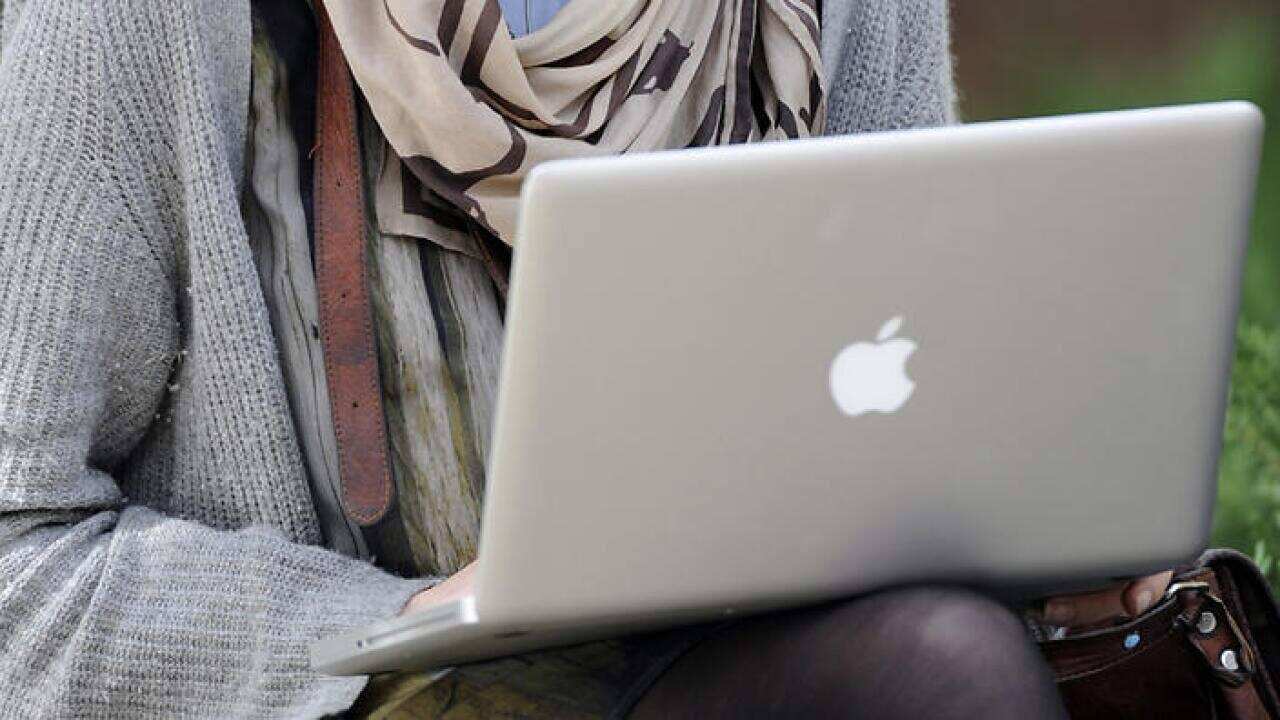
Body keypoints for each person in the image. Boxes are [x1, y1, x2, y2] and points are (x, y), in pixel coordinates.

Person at [0, 0, 1169, 717]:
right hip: (363, 696)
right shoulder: (129, 22)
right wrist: (387, 619)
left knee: (943, 657)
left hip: (746, 663)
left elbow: (895, 379)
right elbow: (18, 567)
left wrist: (1020, 541)